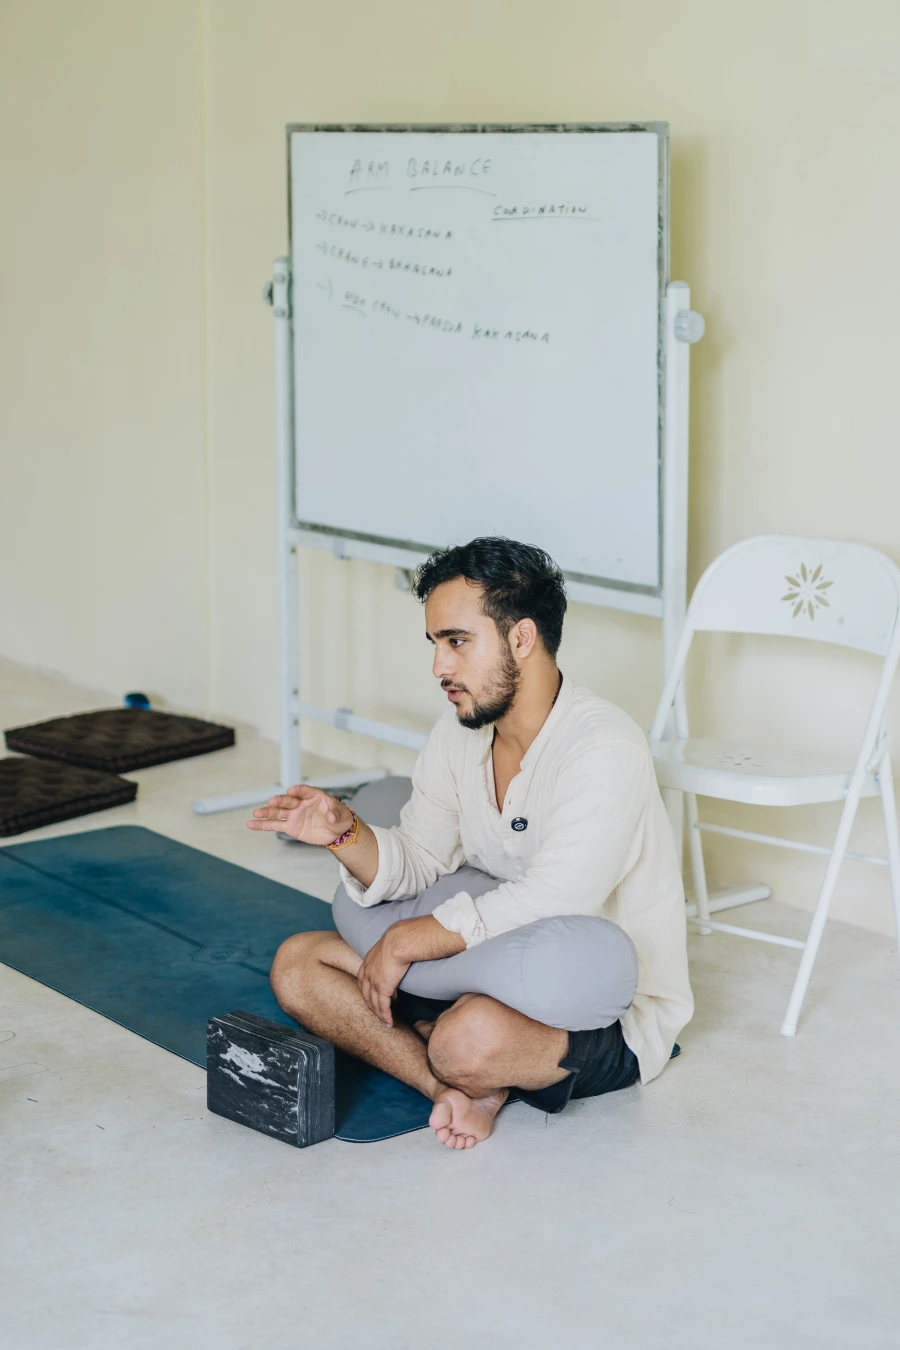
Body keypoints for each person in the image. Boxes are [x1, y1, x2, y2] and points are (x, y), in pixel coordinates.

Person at [250, 538, 693, 1149]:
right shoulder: (461, 731)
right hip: (477, 964)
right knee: (298, 966)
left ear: (521, 638)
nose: (439, 667)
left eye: (457, 641)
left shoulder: (604, 748)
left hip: (598, 1006)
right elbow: (421, 856)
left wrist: (404, 942)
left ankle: (458, 1055)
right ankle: (450, 1088)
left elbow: (558, 898)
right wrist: (343, 832)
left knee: (467, 1040)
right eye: (435, 643)